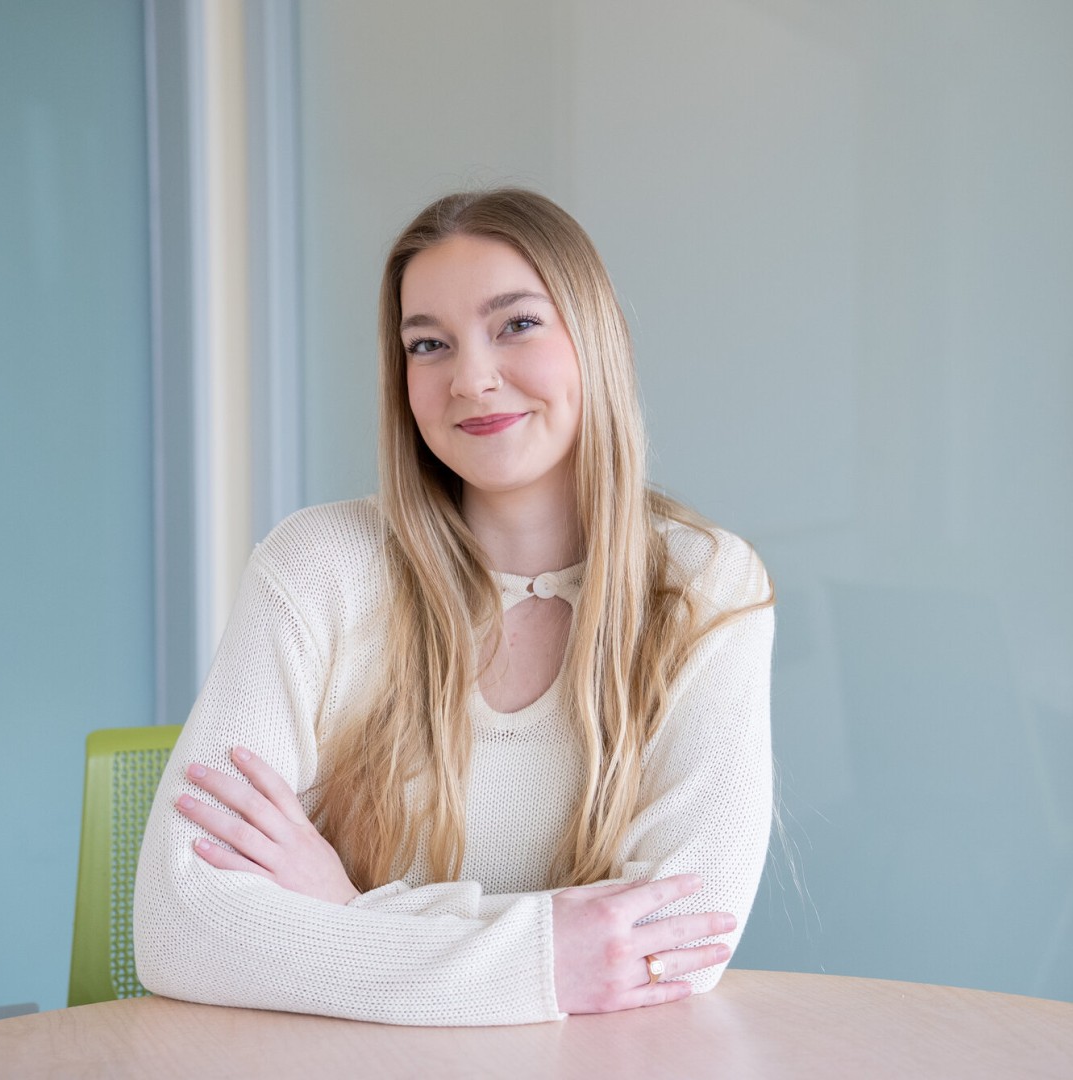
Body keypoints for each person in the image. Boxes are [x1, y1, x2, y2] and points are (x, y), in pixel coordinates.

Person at [133, 188, 775, 1026]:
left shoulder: (703, 586)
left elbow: (681, 941)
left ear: (597, 338)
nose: (470, 379)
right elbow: (178, 925)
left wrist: (350, 911)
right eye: (428, 344)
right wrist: (549, 960)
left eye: (516, 324)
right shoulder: (317, 568)